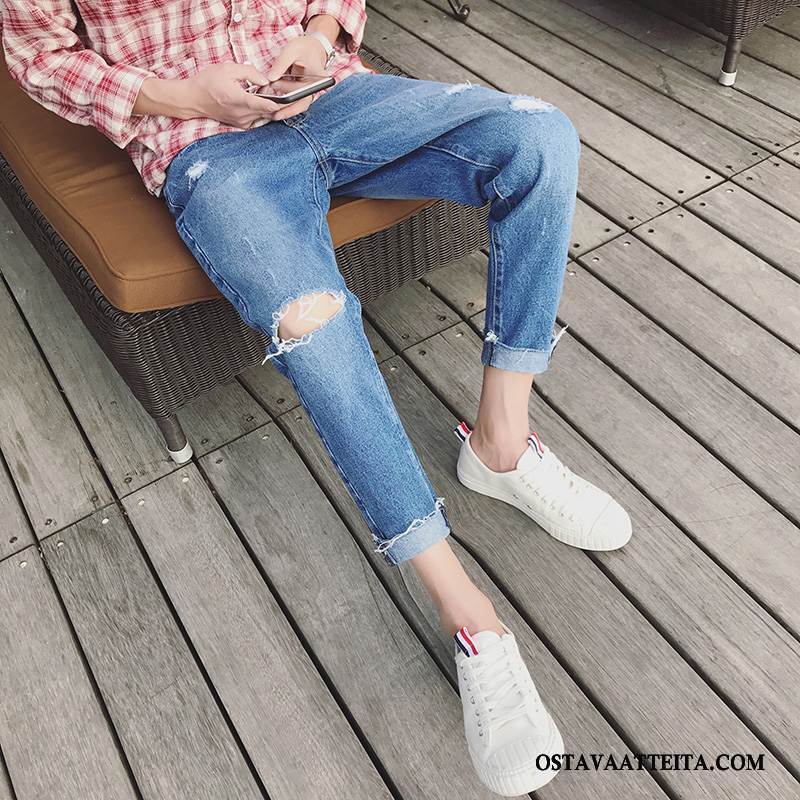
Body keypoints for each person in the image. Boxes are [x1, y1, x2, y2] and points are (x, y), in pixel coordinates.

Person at [2, 1, 632, 794]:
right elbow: (38, 58)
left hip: (335, 96)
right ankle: (467, 613)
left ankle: (500, 445)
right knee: (312, 318)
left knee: (539, 136)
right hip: (205, 149)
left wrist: (316, 37)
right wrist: (184, 96)